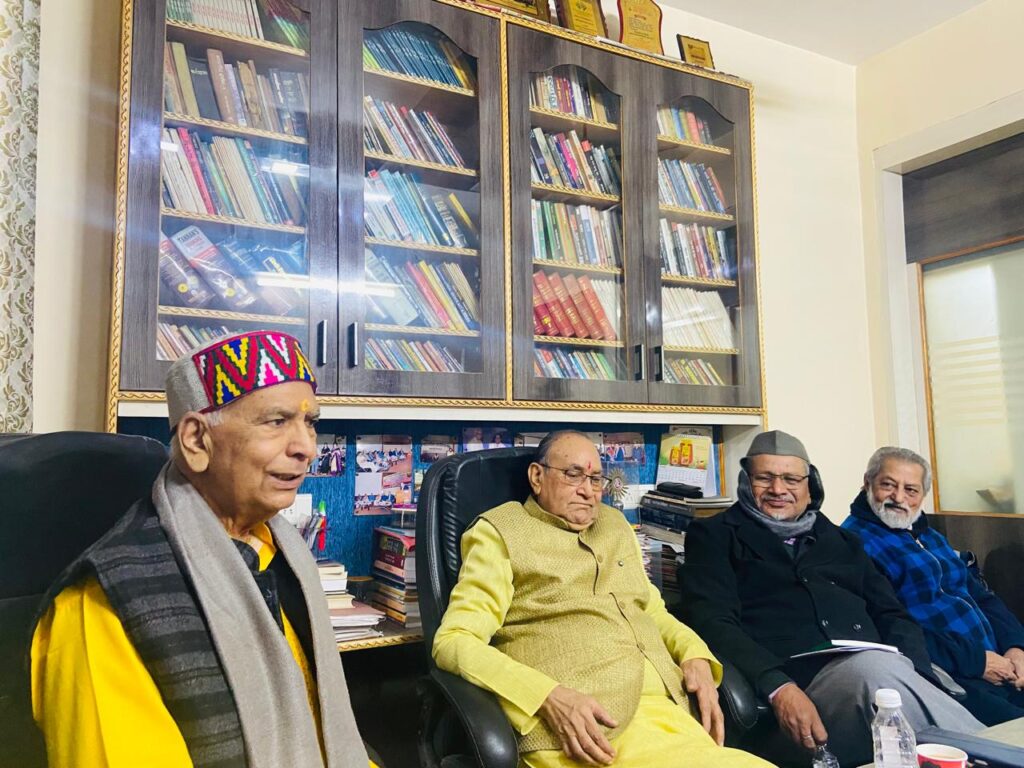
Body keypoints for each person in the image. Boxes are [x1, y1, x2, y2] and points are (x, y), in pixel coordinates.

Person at [30, 330, 370, 768]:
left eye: (311, 423)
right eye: (276, 421)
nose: (306, 447)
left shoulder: (285, 557)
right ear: (196, 440)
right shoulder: (102, 604)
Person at [433, 430, 774, 768]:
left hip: (670, 717)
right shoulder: (500, 532)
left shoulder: (614, 525)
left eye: (596, 479)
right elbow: (454, 640)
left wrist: (694, 653)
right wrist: (547, 696)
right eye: (573, 475)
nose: (588, 491)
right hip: (586, 734)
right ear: (537, 477)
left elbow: (651, 609)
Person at [680, 430, 983, 767]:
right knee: (874, 671)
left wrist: (917, 675)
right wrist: (778, 687)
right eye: (764, 478)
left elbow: (893, 614)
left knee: (906, 681)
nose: (778, 489)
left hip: (883, 674)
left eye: (791, 479)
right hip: (800, 685)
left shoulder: (843, 541)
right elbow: (713, 621)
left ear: (811, 484)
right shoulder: (714, 536)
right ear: (745, 481)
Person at [842, 446, 1024, 725]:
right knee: (1014, 733)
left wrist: (1016, 646)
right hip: (951, 675)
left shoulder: (930, 536)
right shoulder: (852, 544)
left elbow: (980, 595)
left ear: (922, 495)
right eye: (888, 485)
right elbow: (889, 628)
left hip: (1000, 662)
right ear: (867, 483)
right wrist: (975, 661)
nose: (898, 497)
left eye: (911, 490)